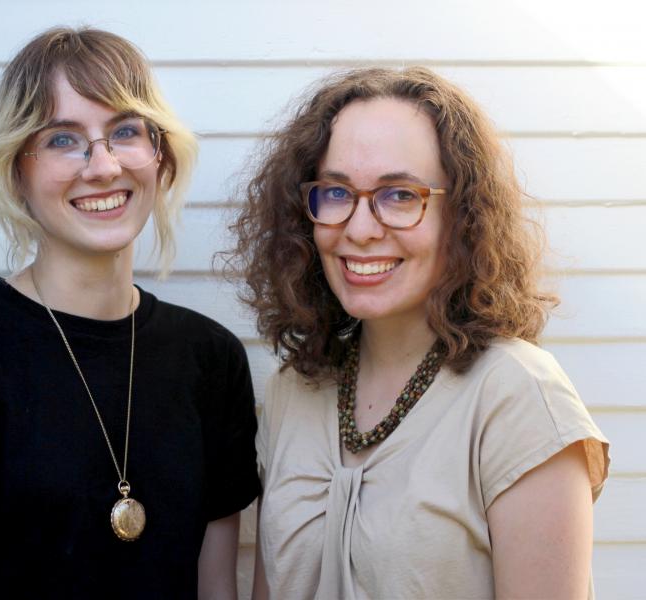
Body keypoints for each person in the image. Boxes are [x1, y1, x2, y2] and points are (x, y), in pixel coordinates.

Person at [0, 26, 260, 599]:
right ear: (17, 171)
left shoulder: (211, 358)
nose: (103, 166)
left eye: (125, 131)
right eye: (63, 139)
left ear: (161, 157)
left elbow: (214, 591)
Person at [227, 67, 609, 599]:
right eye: (336, 192)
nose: (359, 229)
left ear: (462, 217)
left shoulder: (519, 396)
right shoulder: (294, 390)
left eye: (400, 195)